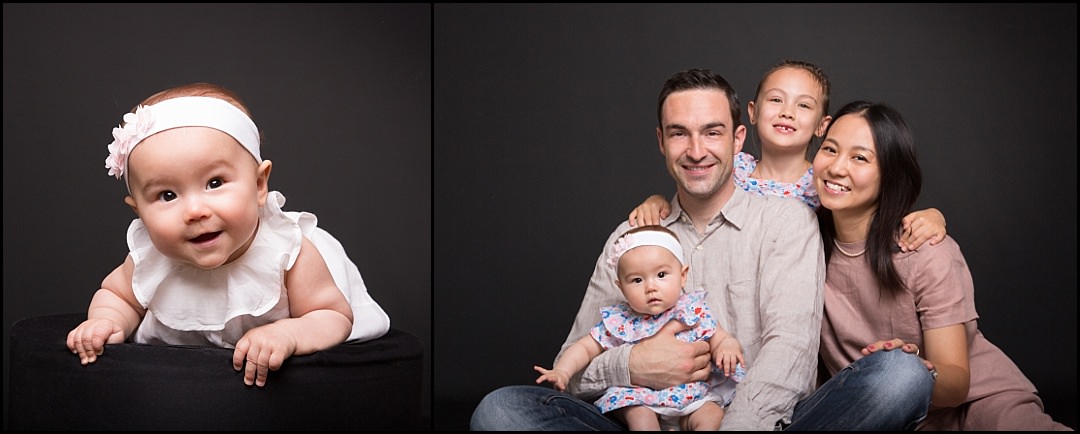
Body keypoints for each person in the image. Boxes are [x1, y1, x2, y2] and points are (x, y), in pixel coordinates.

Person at [472, 68, 932, 431]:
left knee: (900, 377)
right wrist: (632, 365)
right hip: (640, 419)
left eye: (712, 132)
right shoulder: (631, 238)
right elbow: (570, 367)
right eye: (679, 133)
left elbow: (788, 354)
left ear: (737, 138)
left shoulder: (786, 220)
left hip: (758, 424)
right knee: (501, 411)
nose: (696, 150)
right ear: (661, 142)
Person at [65, 83, 391, 388]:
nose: (195, 211)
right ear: (139, 212)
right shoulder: (149, 258)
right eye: (166, 195)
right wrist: (107, 321)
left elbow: (332, 315)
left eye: (215, 183)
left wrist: (289, 334)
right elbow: (118, 296)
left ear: (260, 185)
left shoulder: (289, 253)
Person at [810, 100, 1072, 431]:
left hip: (974, 404)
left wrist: (912, 372)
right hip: (881, 416)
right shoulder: (800, 242)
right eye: (830, 149)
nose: (836, 167)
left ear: (889, 175)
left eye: (860, 157)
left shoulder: (924, 251)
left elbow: (956, 382)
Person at [629, 60, 947, 253]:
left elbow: (875, 214)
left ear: (824, 125)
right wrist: (659, 201)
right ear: (751, 113)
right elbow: (693, 194)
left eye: (803, 105)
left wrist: (932, 217)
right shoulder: (735, 169)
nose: (787, 113)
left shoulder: (826, 183)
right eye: (777, 100)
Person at [533, 226, 746, 431]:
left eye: (661, 275)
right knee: (638, 415)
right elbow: (585, 348)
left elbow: (719, 336)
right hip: (640, 398)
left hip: (691, 395)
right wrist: (563, 371)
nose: (650, 287)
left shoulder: (692, 310)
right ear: (621, 287)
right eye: (637, 280)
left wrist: (726, 346)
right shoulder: (621, 320)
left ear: (683, 275)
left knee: (712, 415)